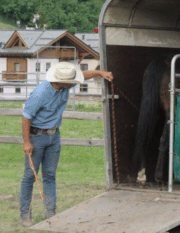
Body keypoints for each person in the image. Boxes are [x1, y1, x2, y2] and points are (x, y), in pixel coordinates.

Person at [20, 62, 113, 227]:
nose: (75, 83)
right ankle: (25, 215)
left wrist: (101, 73)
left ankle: (51, 213)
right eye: (71, 81)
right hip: (37, 137)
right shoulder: (41, 93)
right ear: (61, 81)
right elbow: (26, 116)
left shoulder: (64, 87)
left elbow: (84, 75)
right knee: (29, 176)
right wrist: (27, 142)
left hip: (54, 136)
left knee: (49, 175)